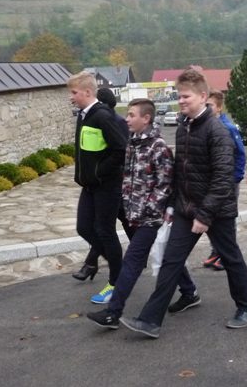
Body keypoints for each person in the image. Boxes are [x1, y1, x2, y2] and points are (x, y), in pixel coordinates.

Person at [120, 69, 247, 338]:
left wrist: (205, 215)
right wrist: (172, 205)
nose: (181, 101)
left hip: (217, 211)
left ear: (203, 96)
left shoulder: (217, 132)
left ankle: (246, 307)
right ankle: (150, 320)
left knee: (231, 258)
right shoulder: (184, 126)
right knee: (171, 261)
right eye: (179, 96)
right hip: (186, 208)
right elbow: (180, 171)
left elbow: (223, 179)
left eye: (186, 97)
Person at [86, 98, 180, 329]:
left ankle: (113, 313)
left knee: (132, 261)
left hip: (151, 217)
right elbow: (128, 179)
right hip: (134, 214)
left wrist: (149, 209)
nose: (126, 119)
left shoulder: (159, 147)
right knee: (165, 257)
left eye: (131, 115)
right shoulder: (132, 143)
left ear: (146, 118)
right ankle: (190, 291)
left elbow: (165, 185)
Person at [68, 72, 128, 303]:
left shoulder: (102, 116)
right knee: (84, 228)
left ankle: (116, 282)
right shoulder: (84, 116)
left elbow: (121, 149)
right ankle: (121, 268)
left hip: (107, 186)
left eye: (74, 93)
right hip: (89, 186)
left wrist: (98, 171)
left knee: (106, 232)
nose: (71, 97)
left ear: (87, 92)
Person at [202, 89, 246, 271]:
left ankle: (226, 255)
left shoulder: (229, 128)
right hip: (213, 181)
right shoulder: (207, 126)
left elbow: (240, 154)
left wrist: (235, 178)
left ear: (219, 108)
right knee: (212, 218)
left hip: (228, 182)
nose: (206, 108)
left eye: (210, 105)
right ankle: (216, 251)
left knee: (227, 219)